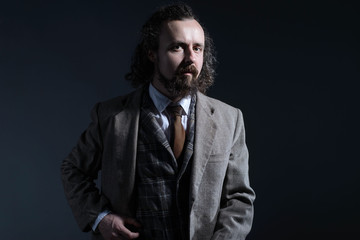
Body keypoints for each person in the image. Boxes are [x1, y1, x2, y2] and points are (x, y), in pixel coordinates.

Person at [61, 3, 255, 240]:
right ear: (152, 52)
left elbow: (239, 198)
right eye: (177, 48)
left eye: (197, 48)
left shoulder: (230, 119)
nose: (190, 58)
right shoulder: (111, 116)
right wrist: (101, 218)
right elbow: (73, 170)